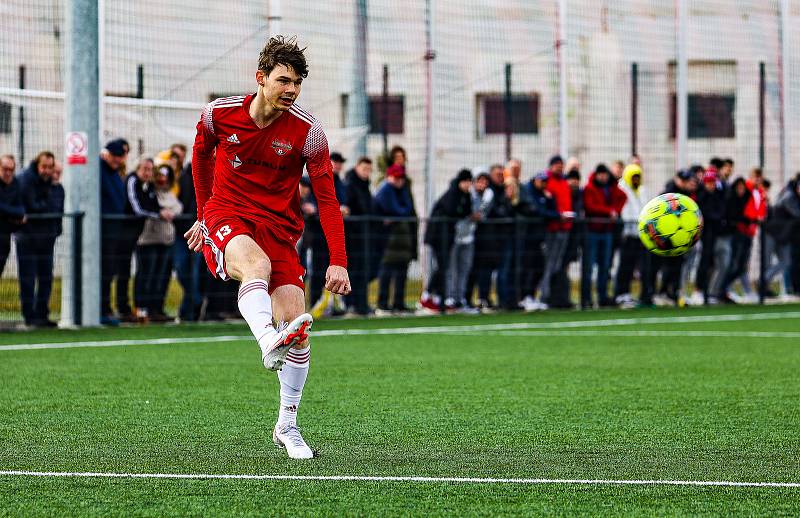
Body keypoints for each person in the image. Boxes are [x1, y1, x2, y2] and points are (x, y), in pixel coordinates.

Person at [185, 36, 350, 460]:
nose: (291, 90)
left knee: (298, 323)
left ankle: (287, 427)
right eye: (283, 80)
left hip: (280, 231)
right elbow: (200, 156)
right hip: (228, 215)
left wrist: (339, 262)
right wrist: (204, 216)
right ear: (260, 78)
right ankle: (265, 341)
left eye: (296, 83)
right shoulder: (217, 115)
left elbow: (328, 200)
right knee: (253, 265)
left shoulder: (309, 133)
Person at [16, 151, 62, 327]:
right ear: (37, 165)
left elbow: (55, 207)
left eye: (50, 167)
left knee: (46, 277)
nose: (47, 170)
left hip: (46, 238)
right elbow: (33, 206)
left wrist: (54, 229)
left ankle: (42, 314)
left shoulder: (51, 184)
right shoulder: (25, 180)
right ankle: (29, 315)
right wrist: (46, 206)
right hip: (27, 238)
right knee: (27, 278)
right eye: (44, 167)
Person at [420, 169, 473, 312]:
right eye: (466, 182)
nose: (468, 185)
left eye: (470, 182)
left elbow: (466, 211)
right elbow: (453, 211)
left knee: (443, 267)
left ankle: (436, 297)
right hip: (438, 235)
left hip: (448, 235)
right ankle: (429, 295)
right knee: (442, 266)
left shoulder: (464, 195)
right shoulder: (452, 194)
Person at [135, 164, 182, 322]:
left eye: (165, 176)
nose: (162, 179)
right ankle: (143, 309)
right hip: (148, 240)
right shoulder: (149, 190)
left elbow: (177, 207)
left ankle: (157, 309)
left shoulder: (169, 193)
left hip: (166, 240)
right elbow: (153, 207)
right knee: (147, 276)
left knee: (162, 277)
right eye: (159, 176)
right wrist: (163, 211)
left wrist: (167, 211)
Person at [372, 164, 417, 314]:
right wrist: (400, 214)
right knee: (387, 272)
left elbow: (407, 209)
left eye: (401, 178)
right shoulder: (385, 190)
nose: (399, 181)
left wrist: (398, 215)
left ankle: (399, 303)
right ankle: (383, 303)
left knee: (401, 272)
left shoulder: (402, 190)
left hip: (402, 241)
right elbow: (396, 210)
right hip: (388, 240)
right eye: (396, 178)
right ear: (389, 176)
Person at [581, 164, 626, 309]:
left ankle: (602, 297)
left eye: (605, 174)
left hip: (607, 232)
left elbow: (622, 197)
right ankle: (586, 298)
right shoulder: (589, 188)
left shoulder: (611, 188)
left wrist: (615, 210)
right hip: (592, 232)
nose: (603, 177)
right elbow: (590, 206)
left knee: (605, 267)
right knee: (588, 267)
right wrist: (609, 212)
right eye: (601, 174)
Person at [533, 155, 574, 307]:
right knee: (549, 264)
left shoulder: (563, 181)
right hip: (552, 228)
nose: (560, 167)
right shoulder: (547, 181)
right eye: (557, 165)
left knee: (557, 264)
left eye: (561, 165)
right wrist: (558, 216)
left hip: (564, 228)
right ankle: (544, 295)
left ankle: (554, 295)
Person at [518, 171, 558, 311]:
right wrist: (551, 213)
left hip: (539, 238)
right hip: (528, 237)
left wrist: (549, 199)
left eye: (545, 181)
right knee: (528, 268)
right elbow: (538, 211)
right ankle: (524, 297)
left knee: (539, 268)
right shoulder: (529, 192)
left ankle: (531, 296)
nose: (543, 183)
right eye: (541, 181)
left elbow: (552, 212)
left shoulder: (545, 194)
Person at [100, 138, 130, 325]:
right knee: (103, 271)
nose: (118, 160)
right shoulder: (99, 169)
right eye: (115, 156)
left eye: (121, 156)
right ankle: (101, 309)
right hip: (103, 231)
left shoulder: (114, 172)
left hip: (114, 230)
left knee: (109, 271)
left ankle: (106, 308)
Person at [343, 157, 374, 315]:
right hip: (352, 237)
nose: (367, 172)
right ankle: (352, 303)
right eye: (364, 169)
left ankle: (362, 304)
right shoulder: (350, 186)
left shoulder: (365, 187)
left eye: (369, 169)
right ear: (357, 167)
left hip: (363, 237)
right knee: (354, 271)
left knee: (363, 271)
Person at [614, 164, 647, 307]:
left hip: (640, 235)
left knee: (634, 267)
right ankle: (621, 293)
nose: (636, 180)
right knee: (625, 266)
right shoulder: (622, 189)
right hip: (628, 234)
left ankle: (628, 293)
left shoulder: (641, 190)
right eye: (634, 177)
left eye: (638, 177)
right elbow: (626, 211)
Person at [0, 155, 24, 276]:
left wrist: (6, 212)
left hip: (4, 241)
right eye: (5, 169)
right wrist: (12, 213)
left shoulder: (15, 184)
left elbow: (20, 210)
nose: (8, 173)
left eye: (11, 169)